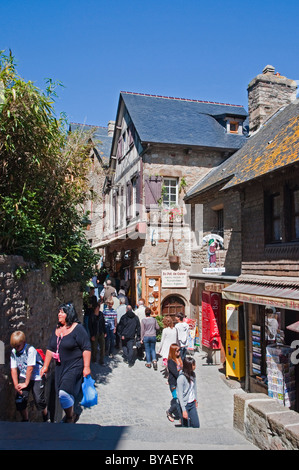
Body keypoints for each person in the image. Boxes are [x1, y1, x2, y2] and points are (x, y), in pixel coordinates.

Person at [41, 303, 91, 423]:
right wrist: (45, 366)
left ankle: (70, 416)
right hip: (60, 367)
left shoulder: (78, 329)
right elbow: (50, 349)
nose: (59, 314)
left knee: (64, 392)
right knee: (62, 393)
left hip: (75, 365)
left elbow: (86, 348)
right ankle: (71, 411)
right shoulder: (57, 329)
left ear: (69, 314)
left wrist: (86, 367)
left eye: (62, 312)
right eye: (59, 312)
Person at [10, 331, 48, 422]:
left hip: (36, 376)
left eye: (18, 346)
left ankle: (46, 417)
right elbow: (13, 369)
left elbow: (30, 368)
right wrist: (16, 385)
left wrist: (26, 383)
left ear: (23, 342)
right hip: (24, 375)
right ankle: (25, 420)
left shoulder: (30, 350)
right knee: (20, 399)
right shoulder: (14, 351)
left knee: (39, 400)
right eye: (14, 347)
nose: (17, 349)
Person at [176, 356, 200, 428]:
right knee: (186, 427)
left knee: (196, 425)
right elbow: (180, 395)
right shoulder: (181, 378)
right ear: (189, 366)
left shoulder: (193, 375)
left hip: (192, 403)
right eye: (193, 365)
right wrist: (183, 410)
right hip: (184, 404)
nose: (195, 366)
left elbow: (194, 388)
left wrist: (196, 400)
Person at [166, 343, 183, 423]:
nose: (179, 352)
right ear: (173, 352)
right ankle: (169, 412)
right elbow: (176, 373)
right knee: (177, 400)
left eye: (179, 350)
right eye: (177, 351)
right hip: (174, 383)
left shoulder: (179, 358)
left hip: (180, 383)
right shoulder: (170, 362)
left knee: (180, 399)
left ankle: (181, 415)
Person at [89, 300, 106, 364]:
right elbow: (90, 326)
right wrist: (92, 335)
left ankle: (101, 360)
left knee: (102, 347)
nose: (98, 309)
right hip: (94, 333)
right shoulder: (92, 316)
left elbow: (103, 323)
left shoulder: (101, 314)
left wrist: (105, 332)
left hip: (101, 332)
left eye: (98, 307)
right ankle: (94, 358)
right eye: (97, 308)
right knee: (94, 347)